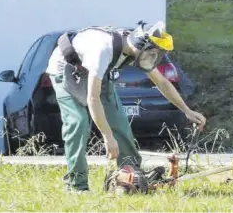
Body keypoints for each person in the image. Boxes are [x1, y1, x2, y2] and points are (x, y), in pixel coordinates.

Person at [46, 21, 206, 192]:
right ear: (141, 46)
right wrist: (108, 137)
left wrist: (187, 110)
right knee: (78, 122)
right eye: (152, 53)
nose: (153, 57)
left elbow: (162, 82)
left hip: (97, 72)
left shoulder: (133, 50)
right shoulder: (103, 51)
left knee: (118, 120)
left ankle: (131, 173)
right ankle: (77, 185)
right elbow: (93, 99)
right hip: (66, 68)